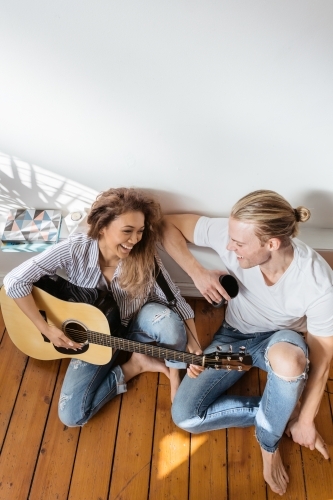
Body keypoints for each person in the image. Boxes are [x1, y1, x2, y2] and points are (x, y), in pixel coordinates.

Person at [161, 189, 333, 496]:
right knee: (186, 416)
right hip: (234, 341)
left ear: (272, 244)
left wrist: (307, 421)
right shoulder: (234, 236)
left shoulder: (317, 283)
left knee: (290, 363)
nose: (228, 247)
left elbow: (319, 365)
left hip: (279, 341)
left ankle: (269, 443)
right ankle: (278, 413)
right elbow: (165, 225)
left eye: (239, 244)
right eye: (230, 238)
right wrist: (197, 273)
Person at [3, 187, 201, 426]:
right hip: (94, 335)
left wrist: (194, 342)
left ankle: (175, 377)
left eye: (139, 231)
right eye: (127, 231)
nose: (135, 240)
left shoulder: (145, 255)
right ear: (102, 226)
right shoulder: (75, 248)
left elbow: (176, 300)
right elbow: (14, 281)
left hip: (132, 323)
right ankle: (134, 366)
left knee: (169, 322)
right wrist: (46, 328)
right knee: (72, 416)